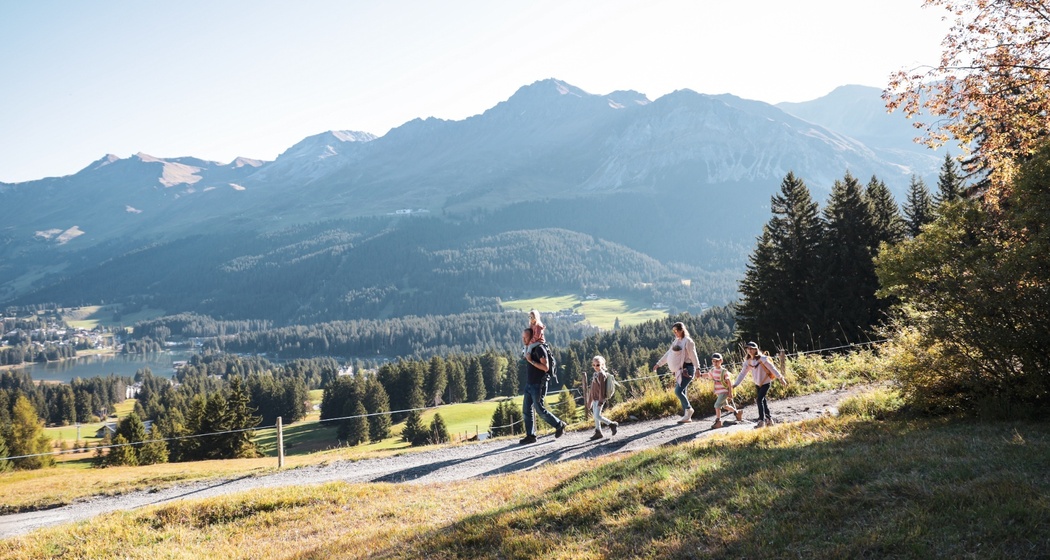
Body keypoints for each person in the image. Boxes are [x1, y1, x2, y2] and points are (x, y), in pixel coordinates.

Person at [519, 328, 566, 444]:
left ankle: (559, 424)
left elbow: (546, 368)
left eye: (525, 337)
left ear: (532, 337)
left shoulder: (539, 349)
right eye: (522, 337)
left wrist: (531, 361)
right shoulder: (529, 349)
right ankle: (531, 435)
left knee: (539, 409)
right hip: (529, 384)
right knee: (526, 410)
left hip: (538, 384)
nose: (523, 339)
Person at [653, 321, 701, 423]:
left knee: (678, 391)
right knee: (683, 392)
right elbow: (668, 354)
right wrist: (659, 364)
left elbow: (693, 355)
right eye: (673, 331)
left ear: (681, 330)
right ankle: (687, 417)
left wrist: (698, 368)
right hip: (679, 371)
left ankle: (688, 409)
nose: (675, 333)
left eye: (676, 331)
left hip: (687, 370)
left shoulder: (688, 342)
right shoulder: (676, 341)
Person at [732, 341, 788, 428]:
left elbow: (772, 369)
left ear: (756, 349)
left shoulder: (763, 359)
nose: (749, 350)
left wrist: (781, 378)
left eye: (751, 349)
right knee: (763, 401)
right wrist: (735, 384)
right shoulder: (748, 362)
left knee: (759, 400)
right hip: (758, 384)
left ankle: (761, 421)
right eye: (748, 349)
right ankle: (769, 419)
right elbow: (742, 374)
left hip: (766, 383)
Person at [582, 355, 618, 440]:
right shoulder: (595, 374)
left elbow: (602, 389)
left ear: (602, 364)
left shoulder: (601, 375)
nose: (595, 367)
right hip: (595, 398)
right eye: (593, 365)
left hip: (600, 399)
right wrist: (589, 401)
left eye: (597, 365)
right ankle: (598, 432)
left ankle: (612, 424)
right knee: (595, 416)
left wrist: (600, 402)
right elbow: (592, 389)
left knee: (597, 416)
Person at [704, 353, 743, 429]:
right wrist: (700, 375)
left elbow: (729, 382)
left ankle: (718, 421)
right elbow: (708, 375)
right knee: (725, 406)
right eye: (713, 361)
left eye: (717, 361)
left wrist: (730, 392)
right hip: (719, 391)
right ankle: (737, 413)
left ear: (721, 361)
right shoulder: (712, 370)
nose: (715, 363)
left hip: (724, 391)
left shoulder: (724, 371)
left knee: (717, 405)